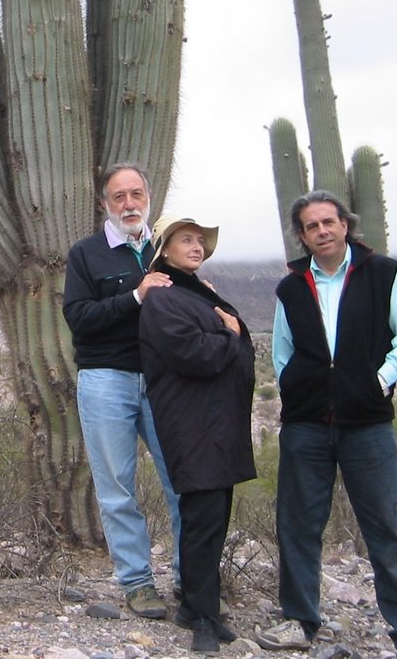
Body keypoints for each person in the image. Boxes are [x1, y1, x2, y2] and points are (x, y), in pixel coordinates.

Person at [256, 190, 397, 659]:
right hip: (307, 424)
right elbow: (283, 351)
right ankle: (299, 620)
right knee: (298, 524)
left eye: (329, 222)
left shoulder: (383, 273)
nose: (322, 231)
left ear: (345, 224)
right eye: (312, 226)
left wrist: (379, 381)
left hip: (367, 423)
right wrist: (299, 387)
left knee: (385, 527)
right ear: (302, 235)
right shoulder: (291, 286)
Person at [62, 163, 182, 619]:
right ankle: (137, 583)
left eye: (135, 194)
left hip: (165, 380)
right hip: (106, 378)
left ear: (148, 197)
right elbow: (79, 317)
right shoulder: (86, 254)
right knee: (116, 488)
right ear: (104, 205)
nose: (129, 204)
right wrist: (136, 295)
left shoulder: (165, 246)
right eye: (119, 197)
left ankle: (192, 579)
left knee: (183, 481)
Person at [138, 214, 256, 653]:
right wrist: (229, 337)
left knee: (214, 514)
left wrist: (231, 337)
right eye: (186, 239)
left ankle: (195, 605)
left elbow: (240, 342)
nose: (197, 246)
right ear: (164, 250)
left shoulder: (200, 293)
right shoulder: (164, 299)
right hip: (192, 423)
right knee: (202, 518)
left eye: (201, 241)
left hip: (216, 421)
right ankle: (202, 614)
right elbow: (192, 353)